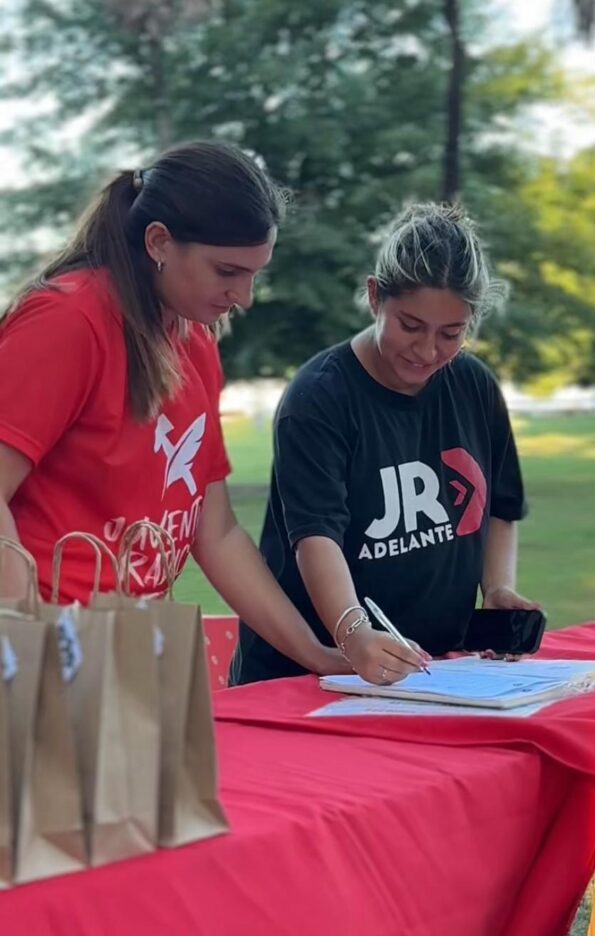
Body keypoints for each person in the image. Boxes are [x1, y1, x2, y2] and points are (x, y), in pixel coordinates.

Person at [0, 140, 346, 677]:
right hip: (44, 663)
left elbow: (217, 532)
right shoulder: (67, 320)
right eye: (227, 272)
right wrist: (30, 647)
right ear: (159, 241)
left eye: (255, 274)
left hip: (123, 656)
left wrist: (318, 657)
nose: (244, 297)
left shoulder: (195, 340)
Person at [232, 201, 539, 687]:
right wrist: (353, 633)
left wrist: (497, 588)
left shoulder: (474, 385)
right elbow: (316, 538)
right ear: (375, 297)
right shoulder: (319, 396)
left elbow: (500, 505)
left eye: (451, 334)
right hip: (308, 675)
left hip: (432, 674)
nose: (427, 351)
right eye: (410, 326)